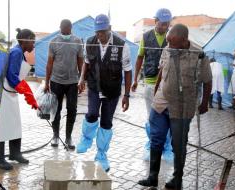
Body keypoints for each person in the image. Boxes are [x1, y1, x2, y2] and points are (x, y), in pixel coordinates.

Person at [138, 24, 212, 189]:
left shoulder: (198, 55)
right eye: (168, 42)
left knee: (178, 144)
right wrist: (156, 92)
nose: (169, 46)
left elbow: (207, 80)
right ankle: (152, 177)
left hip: (182, 106)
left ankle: (177, 179)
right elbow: (161, 73)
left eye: (173, 43)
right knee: (155, 138)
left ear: (184, 40)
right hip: (161, 103)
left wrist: (205, 102)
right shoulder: (167, 49)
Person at [76, 14, 132, 172]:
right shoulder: (90, 42)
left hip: (112, 91)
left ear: (110, 29)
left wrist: (126, 95)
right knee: (92, 113)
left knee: (106, 122)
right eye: (97, 32)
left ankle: (101, 155)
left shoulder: (122, 46)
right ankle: (86, 139)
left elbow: (128, 72)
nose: (99, 35)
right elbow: (86, 63)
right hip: (94, 86)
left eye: (102, 32)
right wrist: (82, 79)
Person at [0, 28, 38, 170]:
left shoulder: (18, 51)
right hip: (4, 93)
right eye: (33, 42)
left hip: (10, 92)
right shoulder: (17, 52)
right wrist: (26, 91)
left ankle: (15, 153)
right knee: (1, 127)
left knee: (15, 123)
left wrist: (24, 90)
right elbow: (12, 76)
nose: (33, 45)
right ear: (25, 40)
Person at [131, 8, 173, 160]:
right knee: (152, 116)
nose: (164, 27)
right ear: (156, 22)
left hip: (168, 82)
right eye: (162, 24)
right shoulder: (146, 37)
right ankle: (152, 144)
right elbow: (140, 58)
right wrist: (135, 79)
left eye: (167, 24)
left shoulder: (172, 36)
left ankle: (167, 148)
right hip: (150, 81)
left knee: (167, 115)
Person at [45, 19, 83, 149]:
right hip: (56, 81)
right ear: (59, 27)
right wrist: (46, 82)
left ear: (71, 28)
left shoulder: (77, 41)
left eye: (67, 27)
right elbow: (49, 63)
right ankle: (55, 136)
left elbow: (80, 62)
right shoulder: (54, 42)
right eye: (63, 27)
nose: (65, 29)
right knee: (56, 110)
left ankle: (68, 137)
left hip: (72, 82)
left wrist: (81, 80)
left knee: (72, 109)